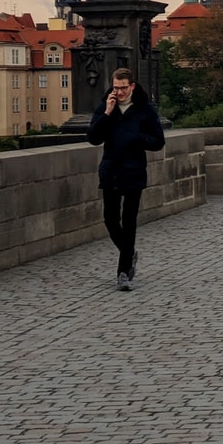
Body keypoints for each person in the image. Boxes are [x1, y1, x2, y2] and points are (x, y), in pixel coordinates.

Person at [87, 67, 166, 290]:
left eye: (123, 88)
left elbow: (158, 141)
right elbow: (93, 138)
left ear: (132, 86)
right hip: (111, 170)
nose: (119, 92)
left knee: (129, 221)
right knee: (110, 220)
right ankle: (130, 253)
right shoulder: (106, 106)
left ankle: (123, 273)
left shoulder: (144, 109)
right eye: (115, 88)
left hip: (133, 170)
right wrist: (107, 113)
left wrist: (136, 138)